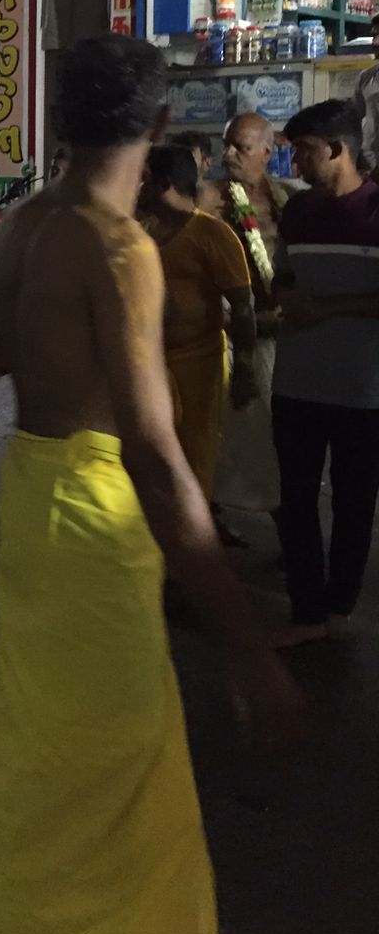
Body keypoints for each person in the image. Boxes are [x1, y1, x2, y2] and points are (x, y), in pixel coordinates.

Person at [0, 36, 303, 934]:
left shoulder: (18, 232)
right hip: (92, 518)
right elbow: (152, 451)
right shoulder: (120, 248)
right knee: (125, 765)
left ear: (58, 119)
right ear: (162, 127)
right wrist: (250, 646)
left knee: (46, 756)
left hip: (39, 512)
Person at [271, 100, 379, 646]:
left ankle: (340, 606)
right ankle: (306, 611)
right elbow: (282, 275)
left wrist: (327, 309)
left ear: (337, 150)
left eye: (304, 153)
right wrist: (285, 294)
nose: (295, 166)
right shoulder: (297, 212)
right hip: (295, 383)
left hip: (364, 390)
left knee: (354, 501)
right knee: (295, 500)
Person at [138, 145, 257, 507]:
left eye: (141, 179)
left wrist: (245, 371)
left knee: (194, 459)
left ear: (162, 184)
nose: (134, 187)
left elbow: (242, 306)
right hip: (148, 363)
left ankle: (190, 544)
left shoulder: (212, 235)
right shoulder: (138, 230)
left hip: (198, 365)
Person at [205, 112, 293, 524]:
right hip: (224, 339)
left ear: (266, 152)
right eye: (226, 145)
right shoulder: (212, 200)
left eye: (240, 147)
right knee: (219, 441)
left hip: (277, 339)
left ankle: (290, 533)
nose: (229, 155)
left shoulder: (286, 201)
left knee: (280, 444)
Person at [350, 11, 379, 171]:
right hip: (372, 169)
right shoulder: (366, 78)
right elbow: (354, 122)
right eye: (374, 36)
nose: (376, 42)